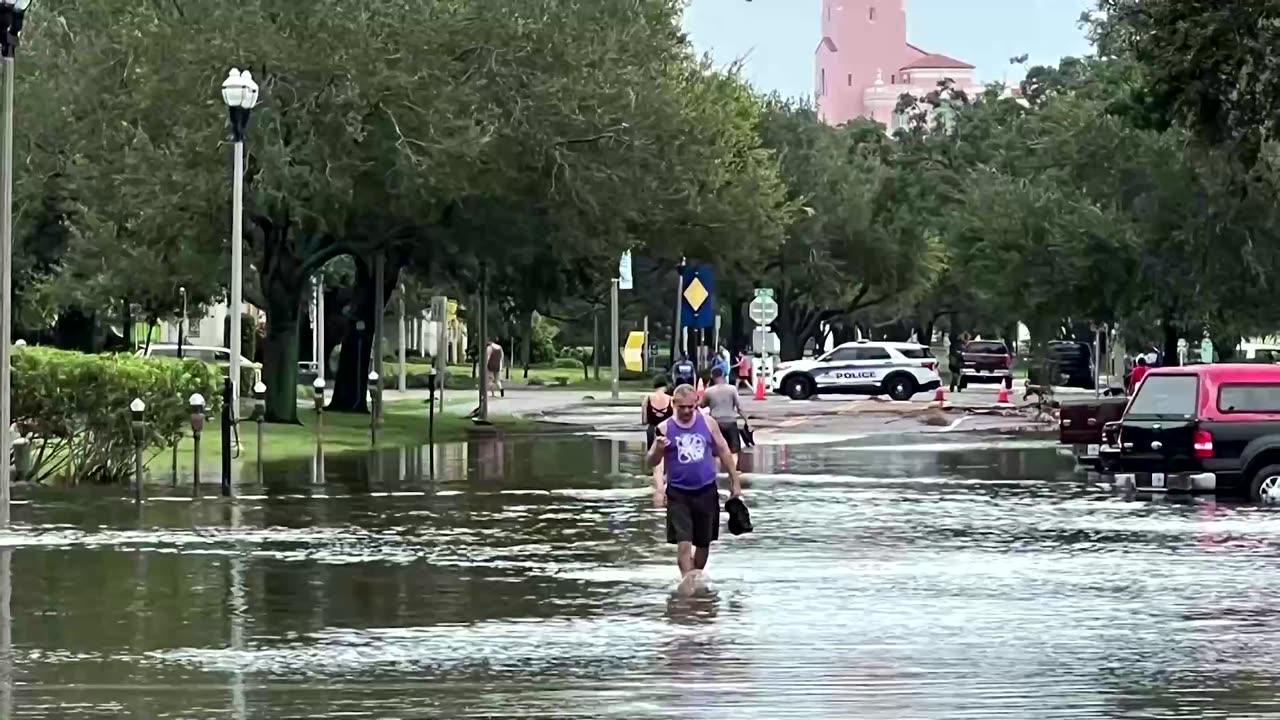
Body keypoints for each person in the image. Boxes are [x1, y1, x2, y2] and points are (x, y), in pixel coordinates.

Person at [647, 384, 744, 587]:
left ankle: (695, 577)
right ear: (673, 404)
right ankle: (687, 586)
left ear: (696, 404)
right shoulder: (664, 428)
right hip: (678, 493)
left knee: (703, 542)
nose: (686, 411)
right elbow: (651, 462)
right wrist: (658, 449)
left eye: (690, 407)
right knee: (683, 542)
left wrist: (735, 482)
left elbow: (724, 451)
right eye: (681, 407)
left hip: (706, 490)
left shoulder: (708, 423)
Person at [702, 366, 746, 470]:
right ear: (723, 375)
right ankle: (733, 470)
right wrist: (746, 420)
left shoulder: (709, 391)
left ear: (712, 377)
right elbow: (739, 407)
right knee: (734, 449)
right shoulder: (732, 389)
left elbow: (702, 405)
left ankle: (717, 472)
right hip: (730, 421)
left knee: (716, 450)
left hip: (716, 422)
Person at [641, 376, 674, 497]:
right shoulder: (671, 399)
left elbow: (644, 420)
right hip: (666, 431)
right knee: (667, 458)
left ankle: (657, 489)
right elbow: (675, 419)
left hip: (651, 430)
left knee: (654, 460)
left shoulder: (647, 399)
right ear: (665, 386)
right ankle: (665, 485)